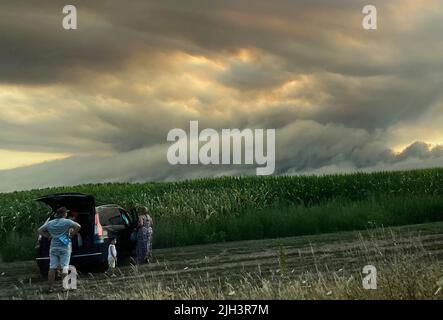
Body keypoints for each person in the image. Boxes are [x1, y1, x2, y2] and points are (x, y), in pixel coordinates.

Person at [38, 207, 81, 291]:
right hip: (65, 246)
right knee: (64, 266)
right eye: (66, 213)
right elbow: (78, 226)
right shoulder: (67, 221)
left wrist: (48, 236)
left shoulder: (50, 223)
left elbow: (39, 230)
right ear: (64, 214)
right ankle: (65, 287)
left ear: (57, 214)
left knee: (52, 267)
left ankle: (50, 287)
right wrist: (71, 234)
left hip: (53, 247)